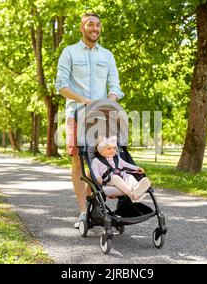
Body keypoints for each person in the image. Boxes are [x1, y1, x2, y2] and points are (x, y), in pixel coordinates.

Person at [55, 12, 124, 228]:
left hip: (101, 116)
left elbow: (115, 87)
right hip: (77, 113)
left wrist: (108, 102)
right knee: (78, 160)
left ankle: (93, 203)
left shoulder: (107, 56)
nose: (95, 28)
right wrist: (84, 100)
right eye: (90, 24)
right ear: (81, 28)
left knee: (99, 158)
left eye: (97, 25)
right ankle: (83, 211)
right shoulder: (69, 53)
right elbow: (61, 85)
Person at [91, 136, 151, 202]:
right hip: (108, 179)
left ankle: (136, 187)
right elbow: (95, 171)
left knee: (129, 176)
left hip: (121, 175)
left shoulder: (116, 158)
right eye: (109, 148)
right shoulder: (96, 161)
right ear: (100, 150)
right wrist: (98, 177)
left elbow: (126, 165)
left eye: (114, 148)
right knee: (116, 178)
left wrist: (136, 168)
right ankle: (132, 195)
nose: (112, 150)